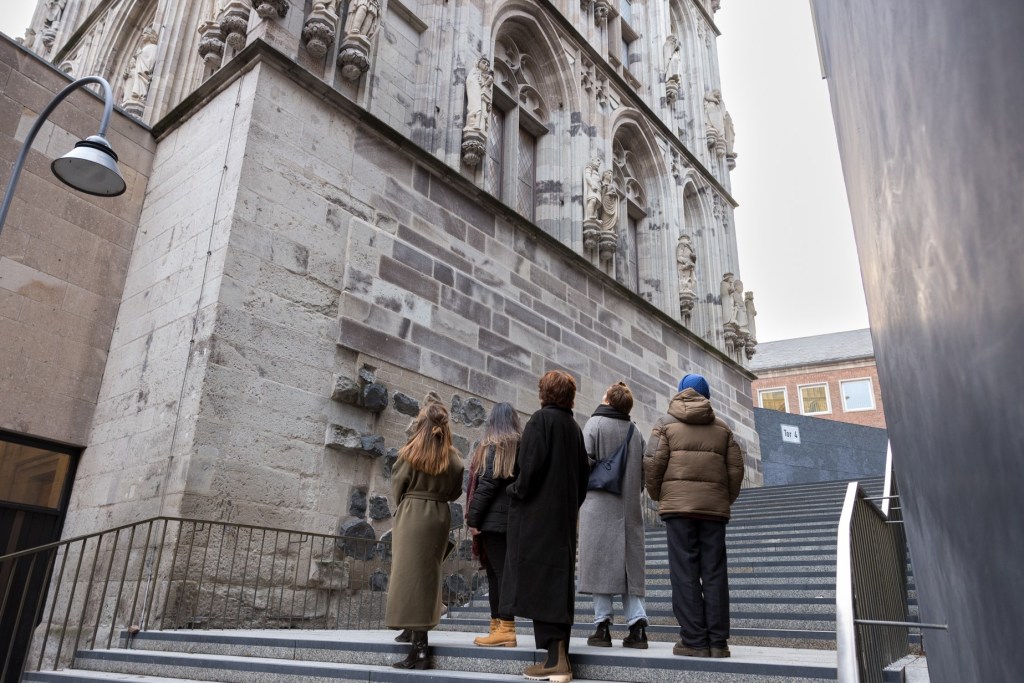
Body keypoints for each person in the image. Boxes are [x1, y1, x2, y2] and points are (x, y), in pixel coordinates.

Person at [644, 374, 744, 659]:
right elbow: (736, 470)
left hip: (678, 510)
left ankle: (694, 640)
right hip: (713, 510)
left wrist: (660, 495)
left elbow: (652, 464)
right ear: (706, 396)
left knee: (684, 572)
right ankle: (718, 642)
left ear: (680, 393)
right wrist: (722, 498)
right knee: (714, 573)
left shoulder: (664, 424)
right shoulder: (723, 429)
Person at [501, 370, 590, 682]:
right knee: (556, 581)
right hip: (563, 518)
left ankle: (556, 661)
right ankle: (557, 657)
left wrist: (515, 490)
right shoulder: (574, 428)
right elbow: (584, 476)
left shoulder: (541, 421)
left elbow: (529, 467)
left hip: (537, 518)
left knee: (540, 580)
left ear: (545, 393)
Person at [385, 402, 465, 669]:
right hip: (438, 516)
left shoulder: (410, 452)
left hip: (412, 513)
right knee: (427, 576)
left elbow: (398, 485)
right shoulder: (453, 458)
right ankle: (412, 629)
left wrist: (409, 503)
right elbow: (455, 491)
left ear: (423, 425)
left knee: (407, 575)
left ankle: (420, 650)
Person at [578, 382, 649, 649]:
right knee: (630, 567)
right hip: (628, 507)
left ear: (608, 400)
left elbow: (581, 464)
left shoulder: (594, 425)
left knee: (600, 564)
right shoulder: (635, 431)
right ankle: (638, 627)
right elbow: (644, 471)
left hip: (598, 506)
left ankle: (602, 627)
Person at [465, 402, 522, 647]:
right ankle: (497, 626)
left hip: (493, 521)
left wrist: (473, 519)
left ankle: (505, 627)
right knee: (500, 573)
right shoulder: (521, 446)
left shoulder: (495, 446)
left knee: (498, 574)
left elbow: (487, 485)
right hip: (513, 520)